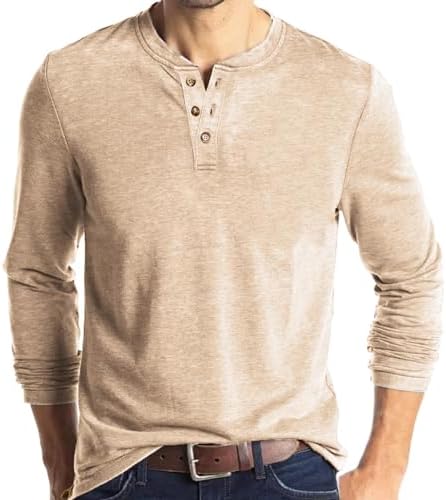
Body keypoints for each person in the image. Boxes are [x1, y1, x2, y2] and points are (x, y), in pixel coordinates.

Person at [3, 0, 443, 499]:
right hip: (123, 475)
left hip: (290, 473)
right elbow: (36, 273)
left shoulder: (346, 88)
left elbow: (411, 275)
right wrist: (59, 460)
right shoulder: (70, 81)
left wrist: (386, 467)